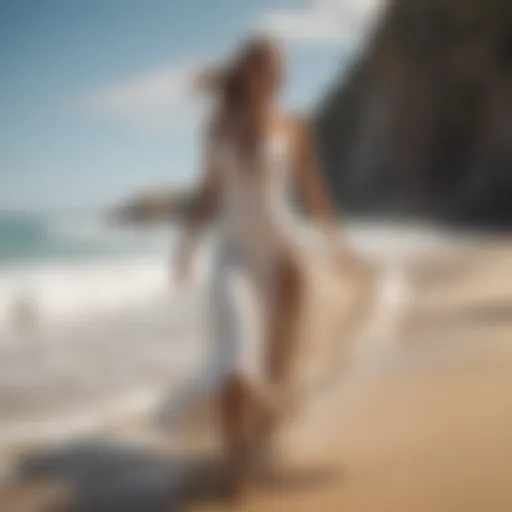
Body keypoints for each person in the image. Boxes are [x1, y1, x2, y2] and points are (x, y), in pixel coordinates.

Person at [174, 36, 366, 503]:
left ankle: (258, 449)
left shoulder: (295, 127)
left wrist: (338, 245)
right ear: (246, 71)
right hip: (234, 255)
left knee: (276, 371)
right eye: (266, 67)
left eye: (280, 68)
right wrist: (186, 244)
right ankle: (235, 471)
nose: (275, 76)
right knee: (237, 358)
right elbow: (209, 192)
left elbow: (313, 192)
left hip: (284, 255)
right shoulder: (218, 125)